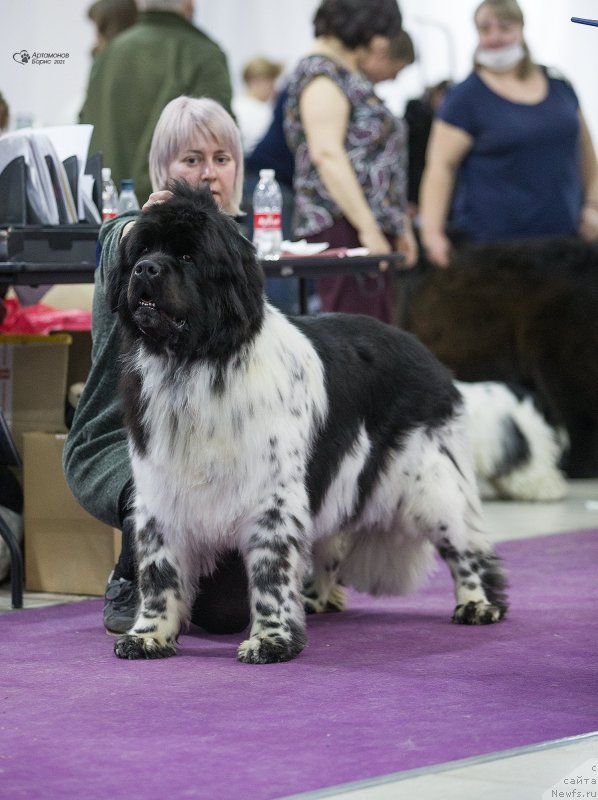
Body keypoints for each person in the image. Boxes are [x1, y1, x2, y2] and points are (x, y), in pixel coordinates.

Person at [64, 96, 249, 636]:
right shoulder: (130, 232)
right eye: (191, 159)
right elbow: (119, 246)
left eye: (221, 157)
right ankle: (130, 569)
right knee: (156, 485)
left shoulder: (234, 249)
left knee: (225, 617)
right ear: (163, 168)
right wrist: (148, 230)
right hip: (122, 441)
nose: (208, 173)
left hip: (213, 453)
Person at [419, 0, 598, 268]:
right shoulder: (465, 98)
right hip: (493, 250)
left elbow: (586, 154)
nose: (495, 37)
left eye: (504, 27)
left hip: (566, 243)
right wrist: (432, 233)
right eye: (485, 29)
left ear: (521, 28)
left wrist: (593, 206)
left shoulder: (560, 88)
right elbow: (440, 168)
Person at [284, 0, 418, 325]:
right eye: (382, 33)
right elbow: (326, 154)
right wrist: (369, 229)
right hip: (343, 226)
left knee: (375, 338)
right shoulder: (322, 74)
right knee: (358, 342)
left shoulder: (341, 73)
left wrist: (394, 223)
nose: (382, 43)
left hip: (359, 226)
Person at [79, 0, 233, 201]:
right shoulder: (203, 55)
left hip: (106, 210)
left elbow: (85, 127)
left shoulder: (110, 53)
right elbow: (218, 140)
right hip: (172, 215)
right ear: (189, 4)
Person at [232, 57, 283, 155]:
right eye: (271, 82)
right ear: (255, 81)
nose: (274, 87)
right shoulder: (262, 113)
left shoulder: (234, 105)